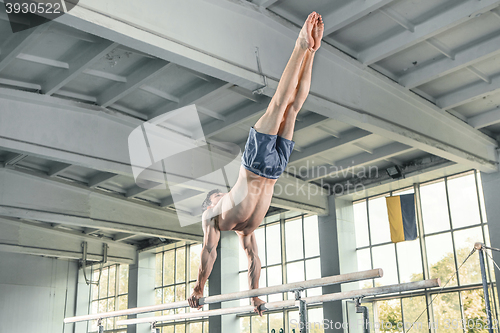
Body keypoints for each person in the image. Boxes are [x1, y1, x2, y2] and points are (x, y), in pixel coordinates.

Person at [188, 12, 324, 316]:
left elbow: (208, 253)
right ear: (210, 202)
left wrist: (199, 288)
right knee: (291, 108)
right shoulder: (240, 229)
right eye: (215, 196)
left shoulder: (217, 216)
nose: (219, 196)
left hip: (256, 166)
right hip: (273, 170)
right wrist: (255, 296)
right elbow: (251, 261)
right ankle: (311, 52)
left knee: (282, 103)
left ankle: (303, 46)